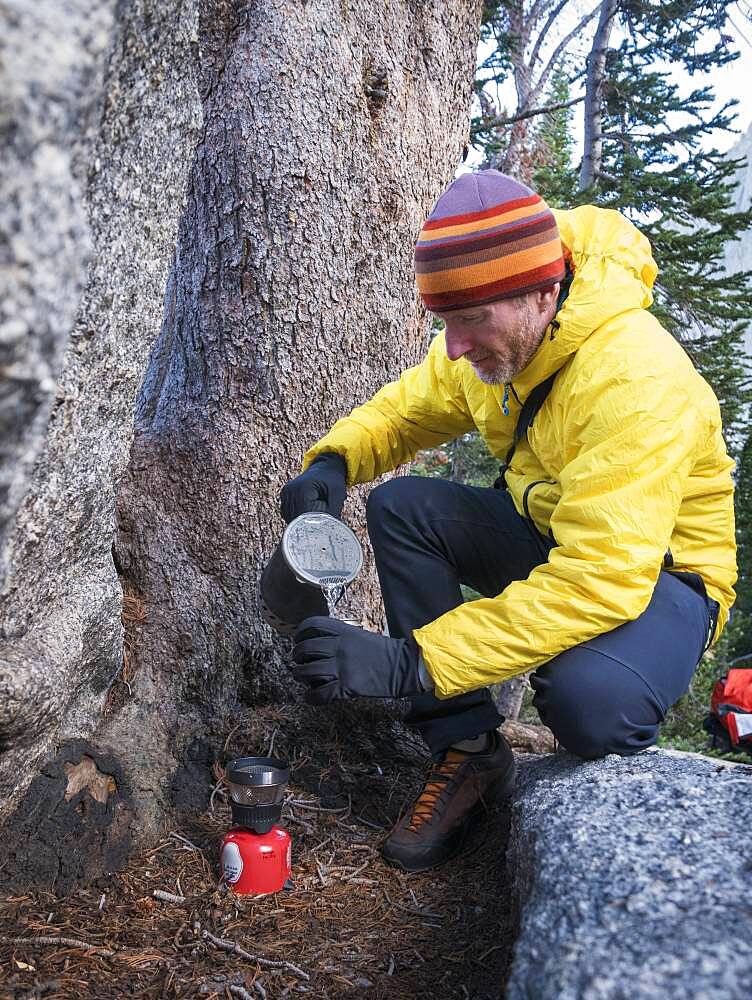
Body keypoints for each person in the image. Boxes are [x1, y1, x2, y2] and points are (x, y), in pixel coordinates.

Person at [280, 170, 737, 873]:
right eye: (445, 322)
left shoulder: (635, 380)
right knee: (404, 508)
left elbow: (599, 579)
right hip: (559, 537)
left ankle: (602, 665)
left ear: (541, 292)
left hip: (663, 578)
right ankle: (466, 749)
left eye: (471, 322)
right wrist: (335, 462)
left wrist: (414, 662)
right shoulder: (497, 331)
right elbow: (408, 408)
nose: (455, 345)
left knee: (591, 706)